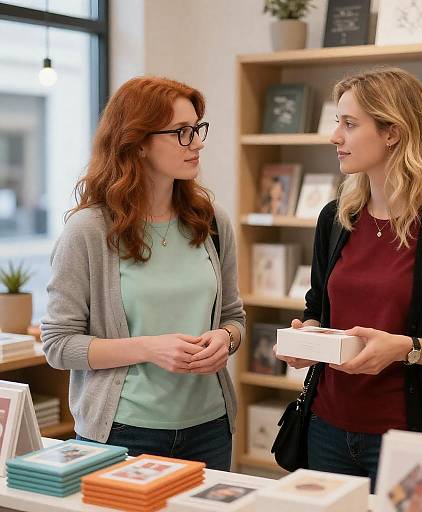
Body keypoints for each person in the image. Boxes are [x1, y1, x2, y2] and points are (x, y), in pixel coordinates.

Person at [276, 68, 422, 491]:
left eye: (349, 124)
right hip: (326, 428)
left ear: (392, 132)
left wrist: (405, 350)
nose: (334, 136)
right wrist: (307, 337)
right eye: (336, 122)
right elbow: (316, 306)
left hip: (411, 439)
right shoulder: (336, 219)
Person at [41, 76, 245, 471]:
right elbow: (58, 344)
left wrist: (226, 338)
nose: (198, 142)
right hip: (122, 434)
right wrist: (148, 348)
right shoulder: (88, 231)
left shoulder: (212, 222)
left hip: (210, 428)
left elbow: (234, 317)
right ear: (138, 142)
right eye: (183, 133)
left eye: (198, 129)